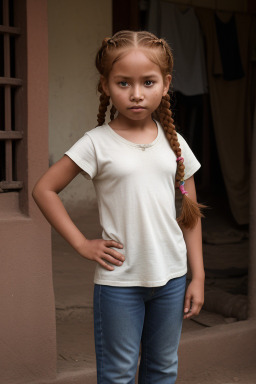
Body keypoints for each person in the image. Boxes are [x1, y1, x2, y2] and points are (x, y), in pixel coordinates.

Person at [33, 30, 205, 384]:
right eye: (124, 83)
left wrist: (197, 275)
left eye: (148, 82)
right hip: (119, 282)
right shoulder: (96, 144)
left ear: (166, 83)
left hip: (171, 278)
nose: (137, 94)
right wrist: (82, 243)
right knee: (118, 374)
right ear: (106, 85)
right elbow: (45, 189)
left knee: (163, 369)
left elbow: (190, 214)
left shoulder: (175, 145)